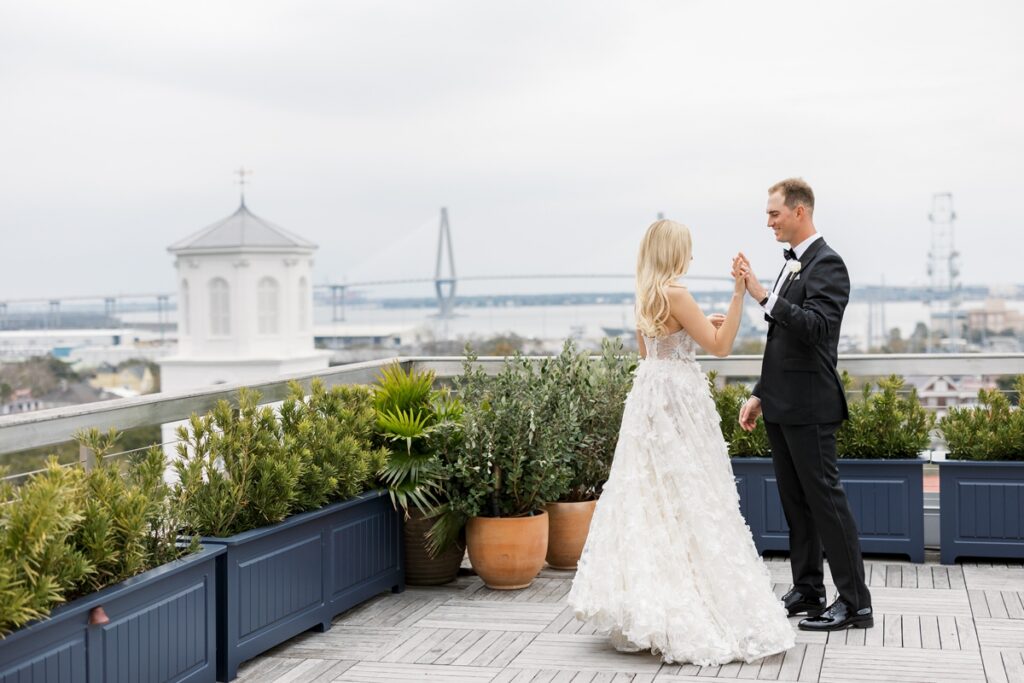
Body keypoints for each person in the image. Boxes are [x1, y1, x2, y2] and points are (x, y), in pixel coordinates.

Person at [567, 219, 794, 666]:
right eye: (686, 250)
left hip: (650, 400)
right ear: (675, 253)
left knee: (655, 499)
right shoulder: (677, 293)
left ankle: (652, 608)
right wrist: (736, 295)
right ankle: (696, 604)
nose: (690, 257)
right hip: (680, 404)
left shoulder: (646, 295)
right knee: (694, 496)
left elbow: (650, 351)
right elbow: (723, 346)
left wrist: (691, 329)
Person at [736, 178, 873, 631]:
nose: (768, 221)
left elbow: (815, 329)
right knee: (796, 504)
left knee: (827, 504)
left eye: (774, 213)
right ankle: (808, 588)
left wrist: (761, 293)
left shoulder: (828, 263)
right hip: (782, 402)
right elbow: (784, 342)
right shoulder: (793, 264)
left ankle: (856, 604)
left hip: (812, 405)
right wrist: (760, 392)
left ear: (800, 212)